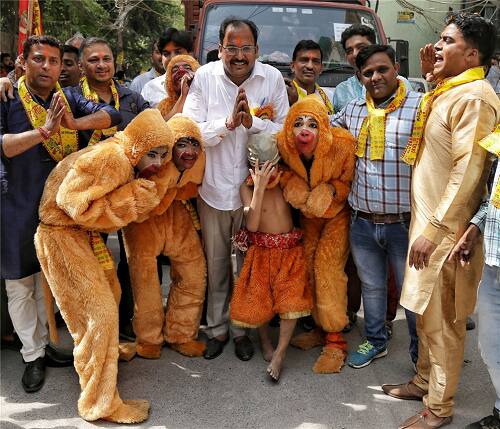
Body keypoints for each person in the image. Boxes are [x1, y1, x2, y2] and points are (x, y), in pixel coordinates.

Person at [382, 13, 500, 429]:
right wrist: (434, 75)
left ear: (472, 53)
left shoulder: (475, 97)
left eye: (446, 41)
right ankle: (424, 381)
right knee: (426, 317)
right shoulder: (449, 90)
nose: (436, 46)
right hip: (430, 226)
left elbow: (468, 172)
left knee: (444, 323)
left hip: (446, 233)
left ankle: (439, 409)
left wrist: (433, 231)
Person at [0, 35, 121, 394]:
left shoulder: (65, 97)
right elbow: (3, 144)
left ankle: (46, 345)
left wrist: (73, 124)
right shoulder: (7, 95)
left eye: (54, 61)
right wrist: (44, 132)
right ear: (23, 63)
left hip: (55, 208)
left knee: (45, 280)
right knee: (20, 284)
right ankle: (31, 355)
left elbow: (111, 114)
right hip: (16, 202)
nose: (48, 67)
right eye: (39, 60)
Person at [34, 108, 171, 423]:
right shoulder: (113, 159)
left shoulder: (125, 154)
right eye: (153, 153)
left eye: (163, 154)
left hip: (82, 235)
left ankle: (106, 358)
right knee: (100, 315)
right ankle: (99, 403)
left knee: (112, 295)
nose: (158, 162)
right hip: (62, 236)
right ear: (137, 146)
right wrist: (132, 198)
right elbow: (72, 202)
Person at [183, 17, 288, 361]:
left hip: (255, 194)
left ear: (257, 50)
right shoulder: (204, 77)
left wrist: (252, 122)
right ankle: (217, 329)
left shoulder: (271, 78)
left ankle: (243, 329)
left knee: (248, 267)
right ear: (220, 48)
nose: (239, 55)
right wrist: (228, 124)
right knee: (216, 266)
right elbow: (191, 129)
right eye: (232, 47)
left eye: (246, 48)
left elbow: (285, 131)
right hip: (213, 190)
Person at [330, 44, 420, 370]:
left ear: (396, 68)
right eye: (367, 72)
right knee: (372, 288)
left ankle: (420, 358)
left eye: (382, 69)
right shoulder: (353, 110)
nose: (375, 77)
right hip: (363, 222)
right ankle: (376, 341)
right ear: (360, 77)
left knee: (413, 295)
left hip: (405, 223)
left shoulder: (420, 107)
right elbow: (320, 128)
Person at [278, 97, 355, 373]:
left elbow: (350, 182)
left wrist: (331, 190)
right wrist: (292, 183)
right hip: (309, 217)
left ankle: (335, 340)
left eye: (312, 124)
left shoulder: (343, 144)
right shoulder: (284, 145)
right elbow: (282, 171)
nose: (304, 130)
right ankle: (319, 328)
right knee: (308, 266)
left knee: (327, 269)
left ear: (323, 127)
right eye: (297, 123)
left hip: (336, 216)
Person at [123, 114, 207, 359]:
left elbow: (194, 185)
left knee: (193, 274)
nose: (189, 150)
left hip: (178, 218)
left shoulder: (199, 162)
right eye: (181, 144)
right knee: (145, 282)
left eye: (194, 144)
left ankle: (181, 334)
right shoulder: (157, 160)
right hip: (144, 221)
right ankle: (148, 338)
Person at [230, 132, 311, 381]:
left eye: (271, 166)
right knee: (260, 300)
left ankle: (280, 353)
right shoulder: (247, 186)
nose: (267, 171)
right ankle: (265, 342)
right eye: (260, 167)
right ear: (251, 166)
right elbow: (252, 225)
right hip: (262, 251)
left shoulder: (287, 180)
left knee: (290, 301)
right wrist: (260, 188)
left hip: (290, 251)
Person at [141, 28, 193, 107]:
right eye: (166, 54)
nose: (172, 58)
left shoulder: (203, 81)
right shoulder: (150, 88)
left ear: (190, 54)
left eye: (178, 52)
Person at [285, 40, 333, 114]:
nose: (310, 66)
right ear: (292, 66)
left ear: (321, 68)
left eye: (315, 61)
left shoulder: (329, 97)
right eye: (304, 60)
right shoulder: (283, 94)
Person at [158, 54, 199, 121]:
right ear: (169, 79)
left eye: (188, 68)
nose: (181, 71)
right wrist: (183, 95)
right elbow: (162, 125)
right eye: (175, 70)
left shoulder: (206, 98)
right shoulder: (165, 105)